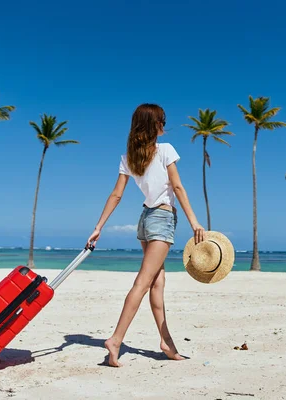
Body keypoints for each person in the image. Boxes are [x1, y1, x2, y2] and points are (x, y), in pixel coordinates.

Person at [86, 103, 205, 367]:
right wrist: (195, 222)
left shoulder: (129, 157)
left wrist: (99, 226)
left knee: (157, 282)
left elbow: (116, 195)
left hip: (145, 221)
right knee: (143, 283)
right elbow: (178, 187)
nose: (165, 125)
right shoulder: (165, 151)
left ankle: (166, 342)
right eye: (162, 120)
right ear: (154, 125)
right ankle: (116, 339)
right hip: (161, 220)